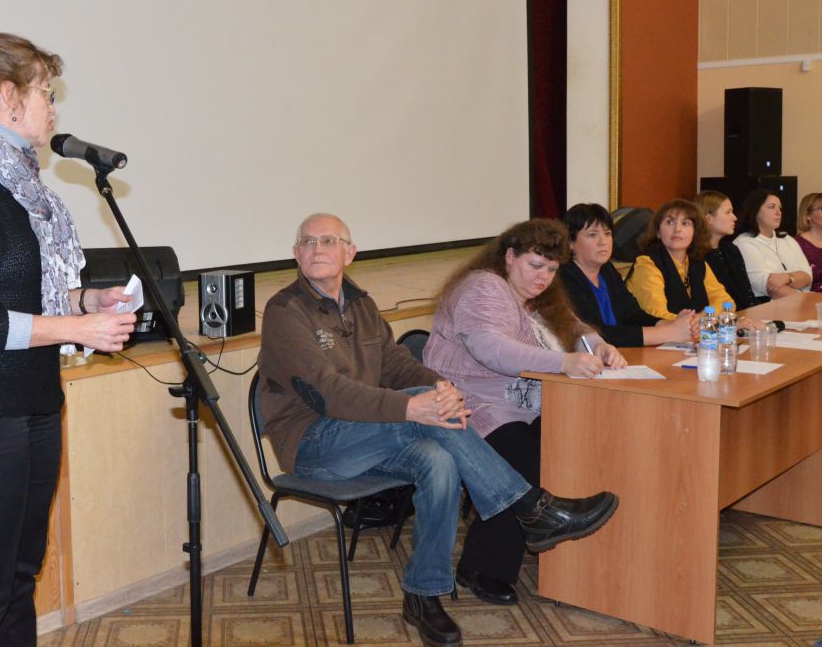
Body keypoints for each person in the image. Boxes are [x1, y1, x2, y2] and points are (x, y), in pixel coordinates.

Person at [259, 213, 619, 647]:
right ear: (296, 253)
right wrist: (412, 405)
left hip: (368, 435)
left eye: (329, 240)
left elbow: (395, 364)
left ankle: (423, 595)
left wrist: (440, 387)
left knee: (439, 460)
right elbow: (328, 393)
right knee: (425, 412)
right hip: (315, 443)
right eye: (308, 241)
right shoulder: (284, 312)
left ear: (349, 253)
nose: (317, 249)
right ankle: (531, 507)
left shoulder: (360, 304)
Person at [0, 33, 138, 646]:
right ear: (10, 97)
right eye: (46, 93)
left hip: (34, 400)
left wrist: (86, 302)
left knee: (19, 576)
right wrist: (74, 329)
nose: (54, 107)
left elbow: (26, 293)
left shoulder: (24, 185)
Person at [422, 218, 626, 608]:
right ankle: (483, 567)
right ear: (509, 257)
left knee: (576, 437)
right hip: (468, 405)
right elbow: (492, 349)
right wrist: (563, 362)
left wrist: (596, 344)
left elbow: (571, 325)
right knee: (527, 455)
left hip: (517, 403)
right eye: (535, 265)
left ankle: (553, 531)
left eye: (551, 269)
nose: (543, 277)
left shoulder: (535, 295)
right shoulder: (483, 287)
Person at [559, 204, 696, 347]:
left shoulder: (607, 270)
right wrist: (669, 333)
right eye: (593, 235)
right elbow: (594, 332)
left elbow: (632, 315)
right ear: (570, 243)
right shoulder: (564, 277)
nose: (603, 242)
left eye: (607, 234)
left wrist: (670, 323)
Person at [626, 198, 732, 319]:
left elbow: (725, 302)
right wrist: (696, 321)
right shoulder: (646, 264)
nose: (677, 229)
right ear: (658, 232)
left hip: (692, 330)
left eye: (685, 223)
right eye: (670, 222)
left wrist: (702, 316)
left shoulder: (698, 262)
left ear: (695, 232)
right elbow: (656, 315)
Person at [693, 190, 768, 309]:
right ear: (709, 218)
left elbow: (747, 295)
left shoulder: (731, 249)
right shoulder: (695, 256)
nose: (735, 218)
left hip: (745, 314)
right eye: (728, 212)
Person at [732, 190, 812, 300]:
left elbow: (807, 276)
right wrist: (805, 301)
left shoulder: (787, 239)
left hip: (801, 302)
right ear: (755, 211)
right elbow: (770, 286)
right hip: (768, 307)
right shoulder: (744, 243)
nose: (778, 212)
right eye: (771, 207)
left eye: (780, 208)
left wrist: (788, 278)